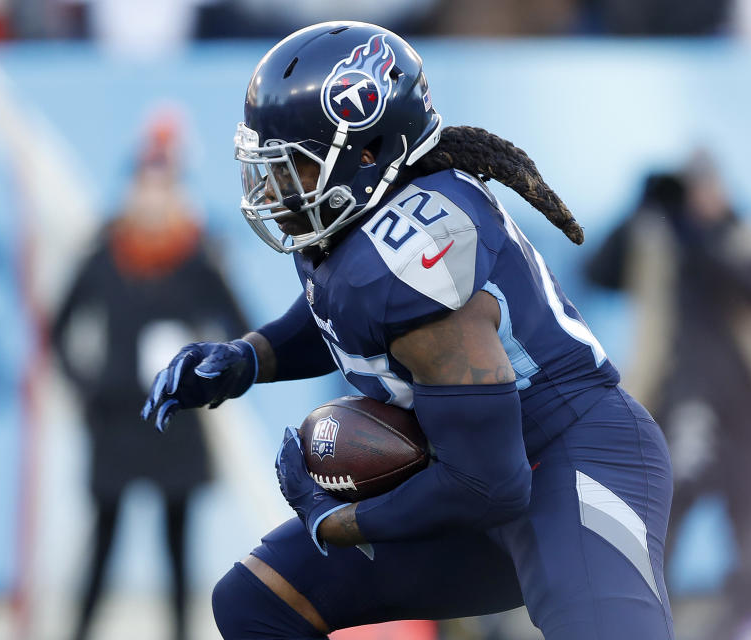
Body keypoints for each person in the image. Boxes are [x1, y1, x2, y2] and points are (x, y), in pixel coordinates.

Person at [142, 22, 674, 639]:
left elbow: (490, 486)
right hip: (471, 475)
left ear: (367, 157)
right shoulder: (352, 223)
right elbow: (341, 316)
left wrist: (337, 522)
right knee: (258, 602)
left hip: (569, 464)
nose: (277, 190)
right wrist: (247, 359)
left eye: (296, 170)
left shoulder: (413, 252)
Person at [52, 110, 250, 640]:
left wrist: (205, 378)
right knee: (102, 541)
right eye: (146, 184)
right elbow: (58, 331)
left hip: (174, 422)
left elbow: (242, 333)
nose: (153, 198)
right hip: (115, 417)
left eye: (165, 186)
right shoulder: (105, 255)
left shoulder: (197, 258)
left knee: (177, 547)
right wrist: (86, 386)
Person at [584, 153, 751, 587]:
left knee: (749, 527)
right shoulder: (660, 246)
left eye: (706, 184)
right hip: (673, 396)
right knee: (666, 517)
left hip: (746, 410)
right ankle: (657, 617)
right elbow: (596, 273)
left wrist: (700, 235)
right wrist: (640, 209)